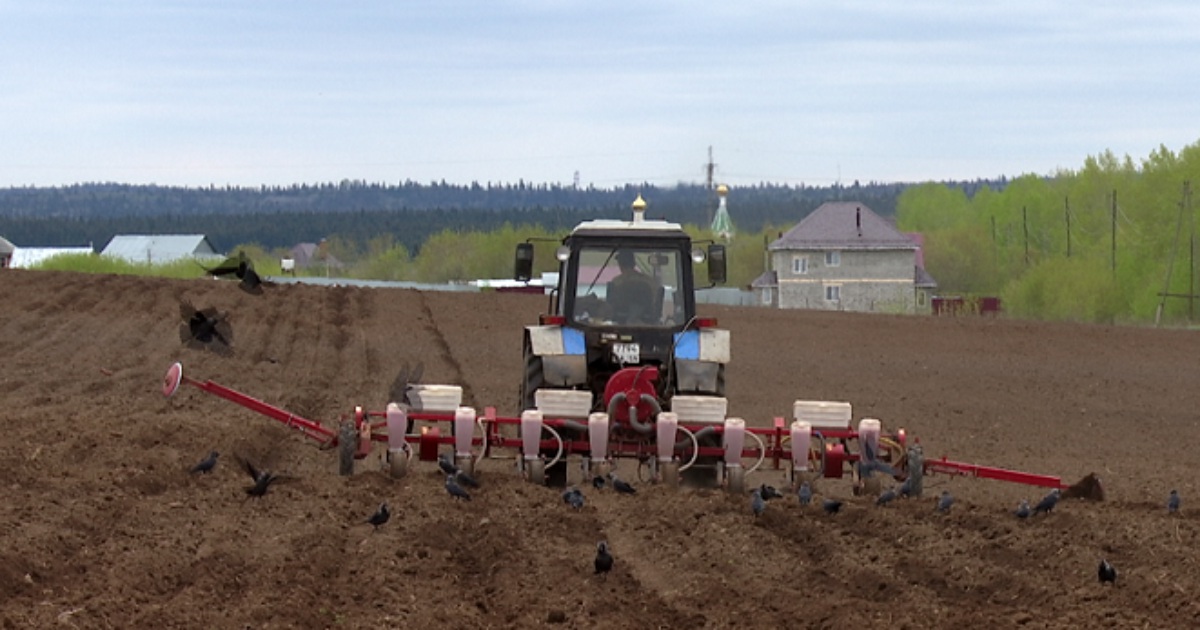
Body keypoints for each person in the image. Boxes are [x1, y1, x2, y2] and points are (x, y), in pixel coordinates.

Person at [607, 250, 661, 323]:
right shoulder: (650, 281)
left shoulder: (616, 282)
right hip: (648, 323)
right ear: (634, 264)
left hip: (620, 323)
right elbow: (656, 303)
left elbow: (611, 306)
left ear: (620, 265)